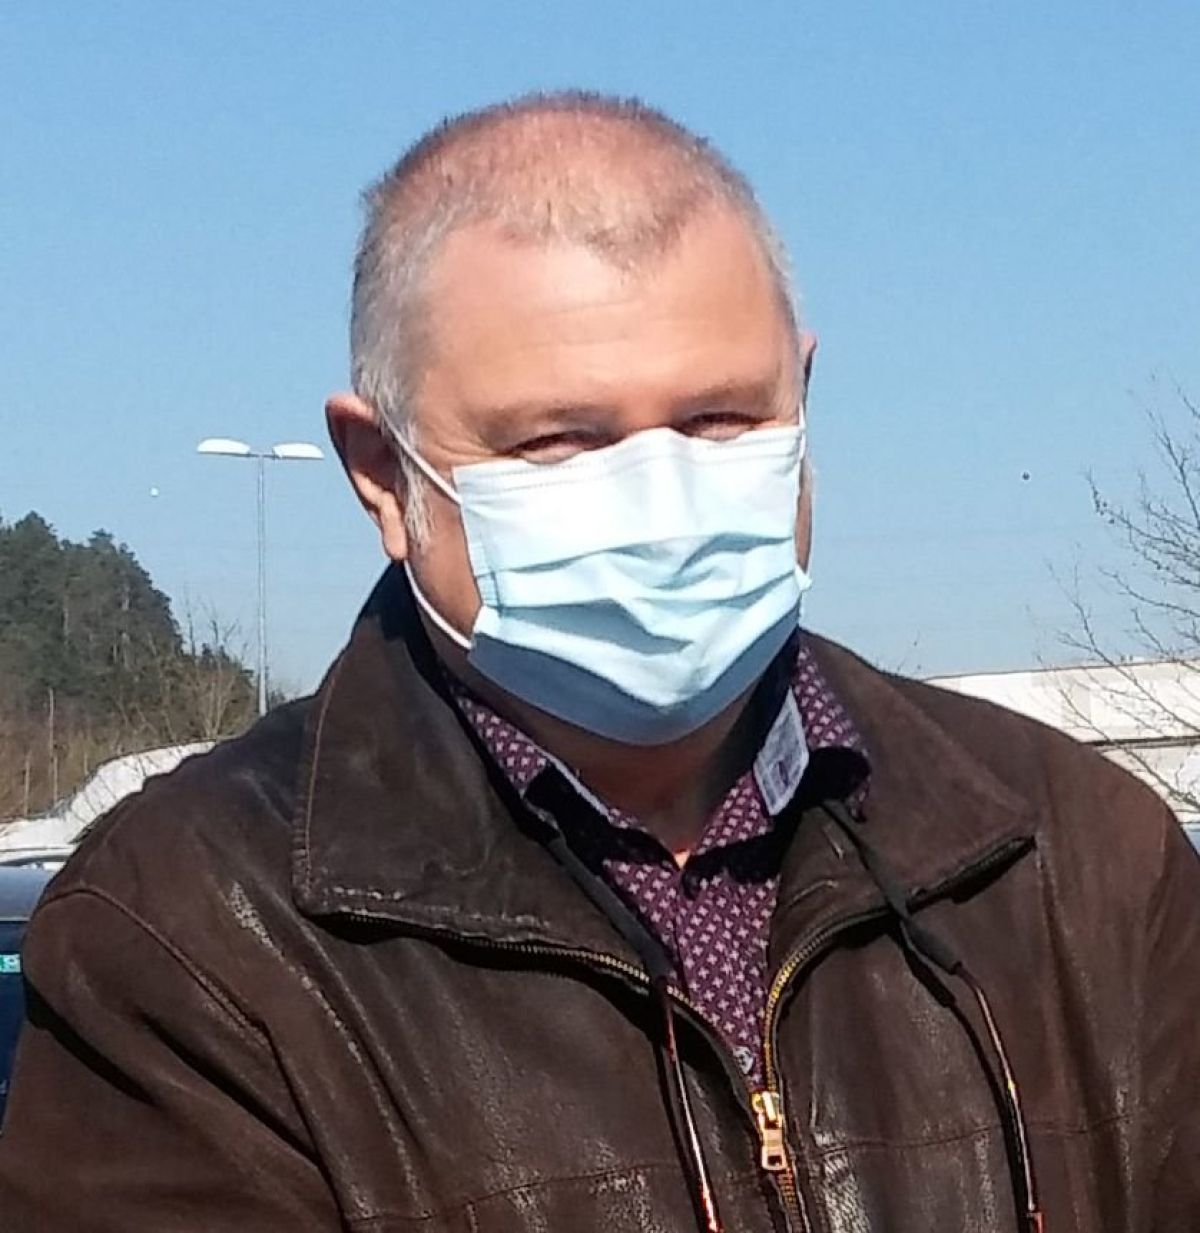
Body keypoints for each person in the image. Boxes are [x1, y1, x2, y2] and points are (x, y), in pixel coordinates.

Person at [1, 92, 1197, 1233]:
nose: (660, 500)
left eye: (720, 421)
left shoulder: (1077, 854)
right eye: (558, 440)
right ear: (383, 476)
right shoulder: (191, 931)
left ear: (803, 398)